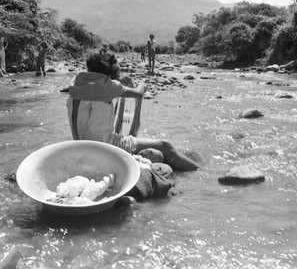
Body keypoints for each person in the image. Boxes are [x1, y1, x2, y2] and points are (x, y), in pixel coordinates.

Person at [66, 51, 200, 199]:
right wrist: (143, 83)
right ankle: (201, 174)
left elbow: (96, 88)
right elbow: (139, 92)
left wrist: (118, 82)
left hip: (80, 147)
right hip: (105, 147)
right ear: (110, 71)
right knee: (165, 145)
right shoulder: (110, 88)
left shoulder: (75, 84)